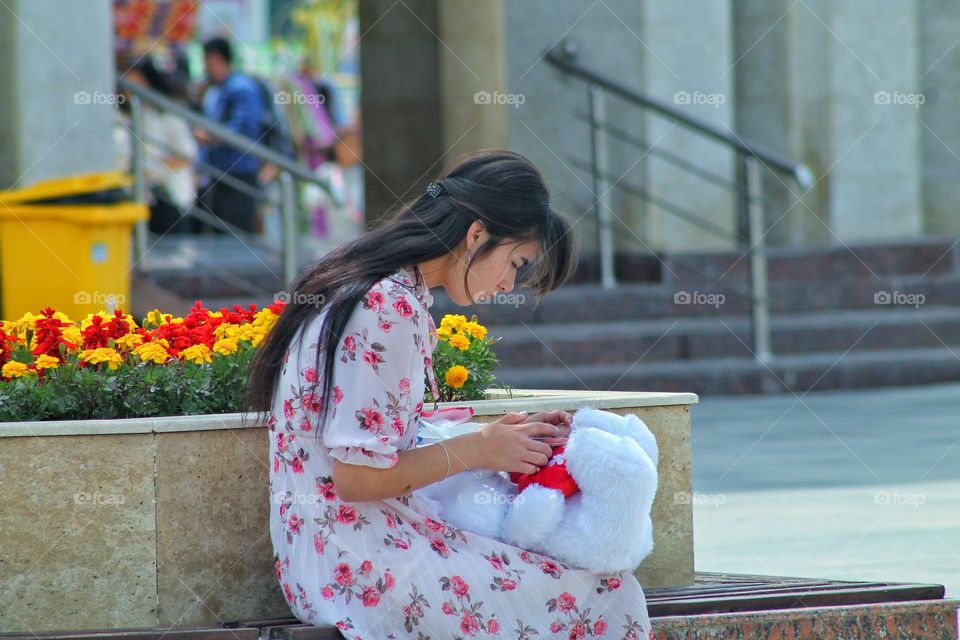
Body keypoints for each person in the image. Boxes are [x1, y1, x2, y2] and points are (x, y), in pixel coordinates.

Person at [245, 150, 654, 639]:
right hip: (356, 561)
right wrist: (478, 449)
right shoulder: (387, 305)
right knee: (608, 595)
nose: (509, 283)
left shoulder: (379, 285)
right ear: (477, 234)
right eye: (516, 263)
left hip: (332, 548)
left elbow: (379, 439)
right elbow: (354, 478)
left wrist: (498, 439)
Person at [115, 57, 198, 235]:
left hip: (166, 197)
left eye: (137, 84)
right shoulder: (122, 117)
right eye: (127, 85)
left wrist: (152, 168)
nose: (131, 92)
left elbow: (187, 155)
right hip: (133, 197)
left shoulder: (168, 116)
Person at [195, 36, 264, 234]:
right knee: (224, 232)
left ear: (215, 59)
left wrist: (209, 137)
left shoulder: (240, 87)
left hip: (238, 172)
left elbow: (243, 129)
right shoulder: (219, 89)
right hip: (221, 171)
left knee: (236, 232)